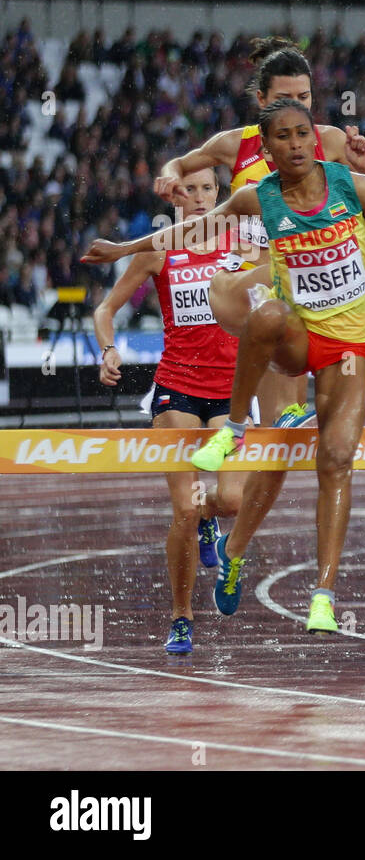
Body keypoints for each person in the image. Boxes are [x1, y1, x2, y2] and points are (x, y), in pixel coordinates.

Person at [83, 98, 365, 634]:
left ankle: (319, 592)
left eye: (303, 132)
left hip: (345, 344)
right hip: (281, 344)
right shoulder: (254, 199)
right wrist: (123, 249)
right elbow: (187, 233)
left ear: (315, 138)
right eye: (282, 136)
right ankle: (237, 430)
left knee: (332, 460)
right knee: (267, 314)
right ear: (264, 149)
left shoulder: (350, 187)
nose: (295, 144)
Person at [153, 36, 365, 426]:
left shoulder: (330, 141)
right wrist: (169, 177)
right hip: (251, 278)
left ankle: (284, 427)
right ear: (262, 100)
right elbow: (180, 164)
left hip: (312, 281)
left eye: (305, 96)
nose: (297, 106)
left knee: (302, 427)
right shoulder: (237, 145)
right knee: (285, 299)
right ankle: (282, 415)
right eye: (286, 97)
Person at [89, 167, 249, 654]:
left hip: (232, 390)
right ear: (174, 197)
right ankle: (182, 616)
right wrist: (108, 350)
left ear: (219, 193)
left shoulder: (242, 245)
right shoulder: (158, 251)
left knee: (231, 500)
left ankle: (210, 522)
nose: (199, 198)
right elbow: (104, 309)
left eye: (207, 189)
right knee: (184, 509)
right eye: (189, 190)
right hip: (176, 387)